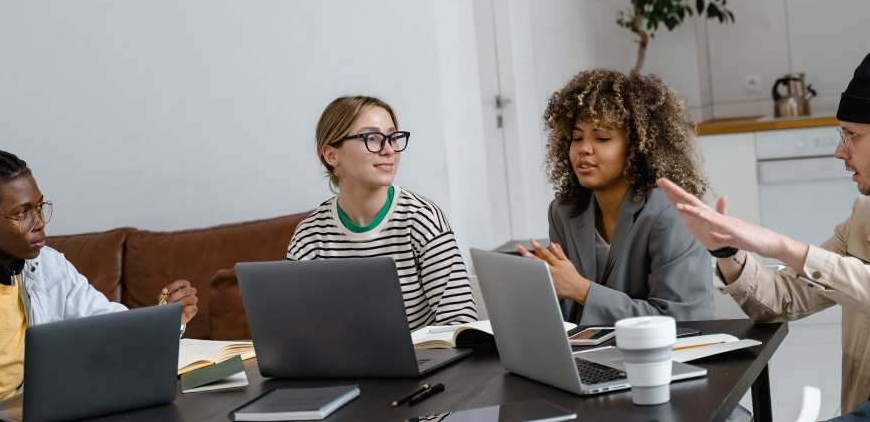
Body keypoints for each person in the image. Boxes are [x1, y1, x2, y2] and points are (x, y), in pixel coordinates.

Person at [656, 52, 870, 415]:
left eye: (851, 135)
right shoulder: (862, 216)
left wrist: (781, 246)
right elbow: (784, 300)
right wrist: (727, 251)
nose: (839, 151)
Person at [0, 148, 198, 411]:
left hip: (25, 412)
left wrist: (169, 317)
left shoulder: (50, 267)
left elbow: (113, 328)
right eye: (23, 213)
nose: (40, 223)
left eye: (40, 207)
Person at [518, 69, 717, 325]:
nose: (583, 149)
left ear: (637, 147)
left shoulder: (673, 213)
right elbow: (568, 312)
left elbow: (680, 320)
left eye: (602, 138)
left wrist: (582, 290)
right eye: (576, 137)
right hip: (595, 349)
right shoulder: (563, 212)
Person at [287, 95, 476, 332]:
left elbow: (460, 325)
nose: (389, 150)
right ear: (331, 155)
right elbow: (298, 330)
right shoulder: (309, 236)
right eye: (371, 138)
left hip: (425, 356)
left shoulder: (424, 220)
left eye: (393, 138)